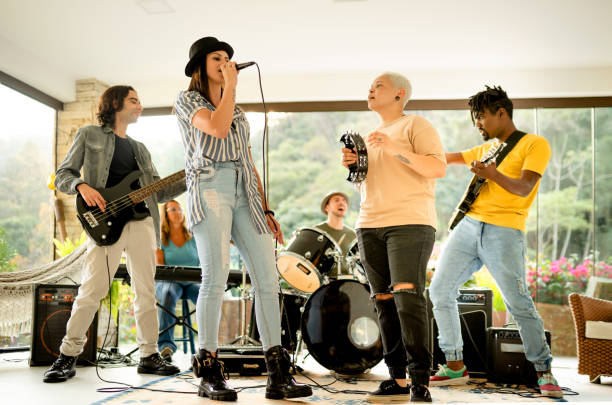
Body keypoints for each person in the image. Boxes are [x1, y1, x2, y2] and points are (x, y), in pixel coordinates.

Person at [174, 36, 312, 401]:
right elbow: (216, 130)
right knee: (215, 277)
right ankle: (208, 371)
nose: (226, 62)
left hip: (244, 188)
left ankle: (278, 373)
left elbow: (249, 161)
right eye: (217, 57)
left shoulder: (237, 109)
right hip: (209, 184)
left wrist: (265, 208)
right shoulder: (188, 100)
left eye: (229, 58)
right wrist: (230, 87)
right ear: (200, 66)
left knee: (268, 279)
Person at [428, 86, 563, 398]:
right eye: (475, 118)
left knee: (518, 302)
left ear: (501, 113)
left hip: (504, 231)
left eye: (482, 117)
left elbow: (525, 187)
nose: (478, 124)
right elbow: (444, 160)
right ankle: (455, 365)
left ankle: (543, 370)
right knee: (439, 290)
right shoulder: (487, 149)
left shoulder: (534, 144)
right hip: (468, 226)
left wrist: (493, 175)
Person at [44, 85, 184, 383]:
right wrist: (82, 186)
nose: (140, 105)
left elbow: (159, 192)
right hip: (104, 223)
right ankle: (67, 356)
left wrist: (191, 176)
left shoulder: (140, 149)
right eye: (134, 100)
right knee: (92, 290)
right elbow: (63, 175)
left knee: (146, 291)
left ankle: (149, 355)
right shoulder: (89, 135)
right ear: (116, 103)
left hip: (142, 223)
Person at [342, 72, 446, 402]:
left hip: (410, 224)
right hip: (369, 223)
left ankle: (420, 381)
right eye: (370, 86)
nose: (370, 90)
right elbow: (367, 185)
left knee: (408, 298)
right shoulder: (370, 135)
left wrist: (394, 149)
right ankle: (397, 379)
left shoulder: (415, 125)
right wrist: (355, 166)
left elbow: (437, 168)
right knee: (383, 303)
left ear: (399, 94)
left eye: (379, 86)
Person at [155, 199, 200, 362]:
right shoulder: (160, 237)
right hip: (170, 281)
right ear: (165, 214)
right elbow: (159, 266)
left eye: (180, 209)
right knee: (168, 294)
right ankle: (166, 346)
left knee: (205, 297)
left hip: (192, 281)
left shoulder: (193, 235)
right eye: (173, 209)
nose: (178, 212)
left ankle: (207, 345)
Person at [314, 191, 357, 278]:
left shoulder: (353, 235)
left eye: (344, 201)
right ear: (326, 207)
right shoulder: (316, 231)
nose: (342, 203)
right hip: (321, 281)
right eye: (336, 200)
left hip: (347, 282)